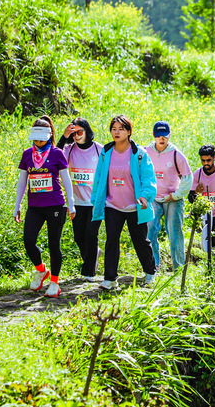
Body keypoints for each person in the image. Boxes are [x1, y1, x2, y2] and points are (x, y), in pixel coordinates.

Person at [90, 115, 158, 290]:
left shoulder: (140, 154)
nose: (117, 132)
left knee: (140, 241)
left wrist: (145, 196)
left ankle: (150, 272)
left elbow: (149, 178)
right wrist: (95, 200)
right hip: (113, 205)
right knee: (112, 240)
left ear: (129, 131)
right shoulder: (106, 152)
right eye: (114, 129)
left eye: (121, 129)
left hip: (135, 206)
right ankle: (110, 279)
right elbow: (99, 178)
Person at [14, 116, 75, 298]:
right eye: (36, 138)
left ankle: (55, 282)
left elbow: (66, 180)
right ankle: (41, 270)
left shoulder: (57, 153)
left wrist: (71, 204)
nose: (38, 142)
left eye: (41, 138)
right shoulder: (27, 154)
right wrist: (17, 205)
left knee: (53, 244)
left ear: (49, 135)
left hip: (55, 204)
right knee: (28, 240)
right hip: (35, 206)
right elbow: (22, 181)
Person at [57, 118, 103, 281]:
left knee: (91, 235)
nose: (76, 136)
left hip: (94, 201)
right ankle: (94, 255)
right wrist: (64, 137)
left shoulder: (98, 149)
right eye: (74, 133)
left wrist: (101, 200)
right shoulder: (69, 149)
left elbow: (106, 174)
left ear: (87, 131)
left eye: (80, 132)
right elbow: (54, 156)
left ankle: (89, 272)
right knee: (79, 237)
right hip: (76, 202)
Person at [145, 121, 192, 272]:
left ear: (169, 135)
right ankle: (153, 267)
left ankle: (178, 269)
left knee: (174, 232)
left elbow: (187, 178)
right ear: (153, 135)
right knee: (150, 231)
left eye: (164, 136)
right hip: (153, 198)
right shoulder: (146, 152)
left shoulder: (176, 154)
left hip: (172, 199)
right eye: (158, 136)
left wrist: (177, 195)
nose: (161, 139)